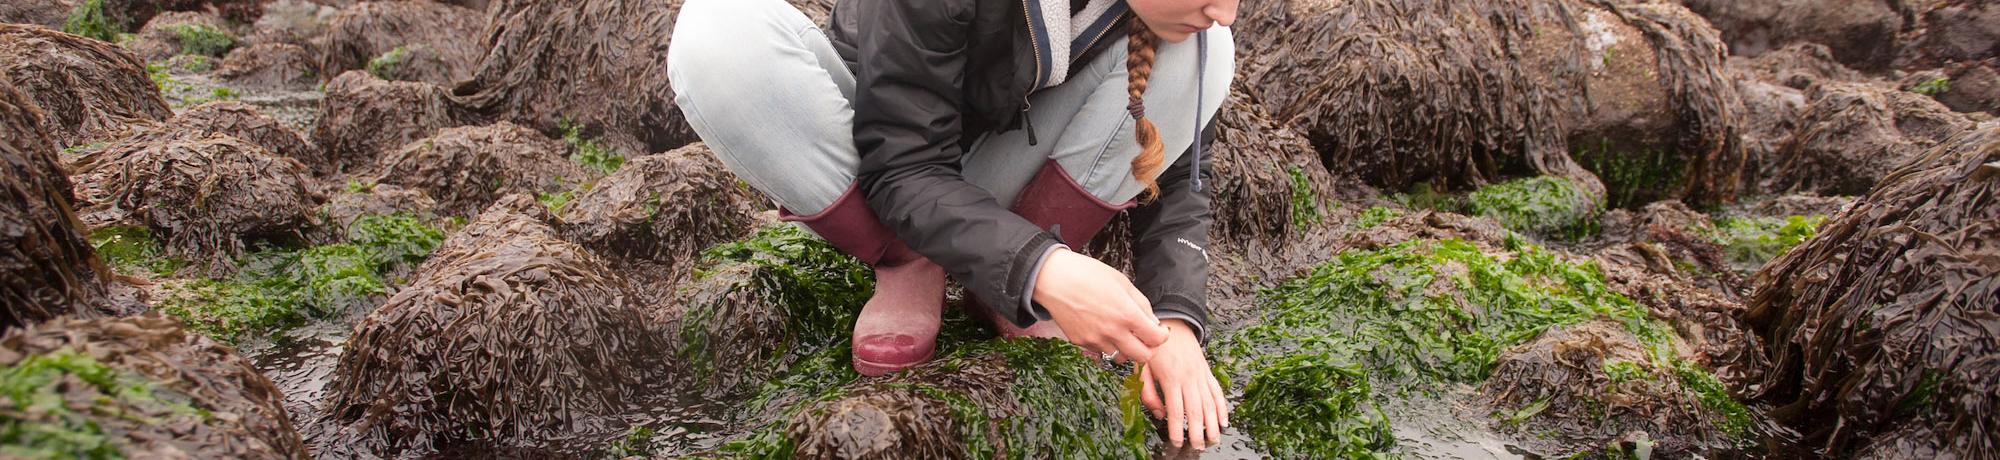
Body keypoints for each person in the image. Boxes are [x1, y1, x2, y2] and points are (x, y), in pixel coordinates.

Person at [669, 0, 1237, 448]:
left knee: (1205, 54)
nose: (1227, 8)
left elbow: (1182, 171)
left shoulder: (1188, 19)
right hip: (878, 156)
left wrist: (1174, 320)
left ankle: (1004, 288)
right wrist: (1044, 270)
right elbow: (902, 161)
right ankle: (909, 261)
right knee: (714, 30)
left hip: (989, 172)